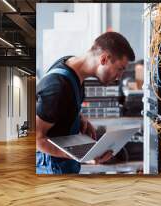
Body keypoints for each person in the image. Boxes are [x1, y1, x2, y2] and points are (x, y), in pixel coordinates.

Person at [36, 32, 135, 174]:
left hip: (65, 166)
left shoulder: (71, 68)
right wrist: (83, 155)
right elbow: (37, 138)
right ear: (104, 59)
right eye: (120, 69)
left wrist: (79, 118)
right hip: (52, 170)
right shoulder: (58, 86)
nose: (119, 77)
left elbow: (59, 107)